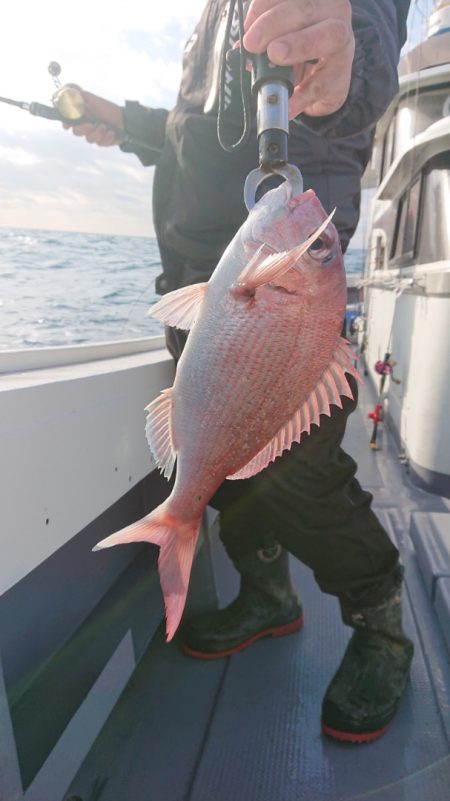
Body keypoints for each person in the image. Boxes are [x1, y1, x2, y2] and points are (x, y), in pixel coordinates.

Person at [66, 0, 413, 743]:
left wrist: (345, 48)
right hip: (202, 279)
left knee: (306, 481)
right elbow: (199, 129)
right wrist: (122, 119)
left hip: (271, 287)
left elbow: (367, 36)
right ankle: (269, 593)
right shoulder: (212, 19)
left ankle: (383, 624)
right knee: (223, 472)